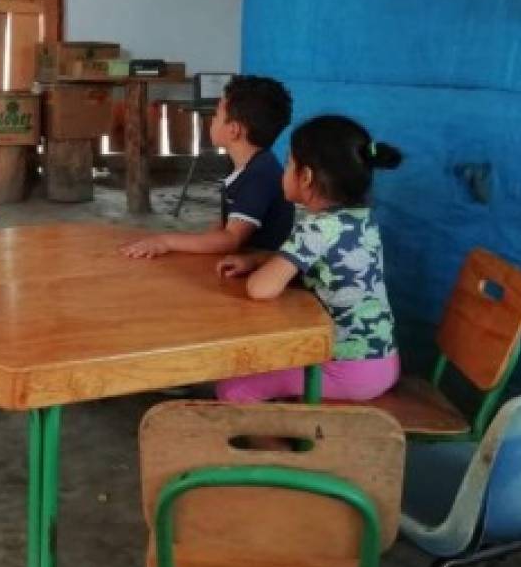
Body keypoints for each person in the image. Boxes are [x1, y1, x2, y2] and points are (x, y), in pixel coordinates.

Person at [215, 114, 403, 403]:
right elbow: (304, 259)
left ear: (306, 177)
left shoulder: (316, 227)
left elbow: (261, 289)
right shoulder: (359, 219)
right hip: (381, 361)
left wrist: (260, 272)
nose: (284, 172)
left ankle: (275, 448)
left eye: (289, 163)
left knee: (234, 387)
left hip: (344, 370)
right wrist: (256, 260)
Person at [121, 75, 294, 259]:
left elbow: (231, 239)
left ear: (234, 130)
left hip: (257, 269)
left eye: (217, 114)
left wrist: (166, 241)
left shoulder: (259, 177)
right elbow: (224, 227)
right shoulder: (253, 167)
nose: (212, 119)